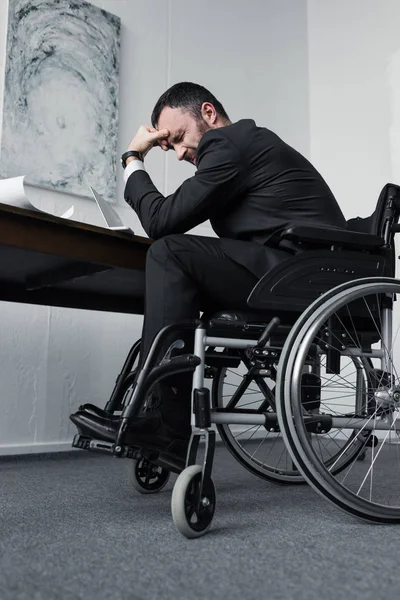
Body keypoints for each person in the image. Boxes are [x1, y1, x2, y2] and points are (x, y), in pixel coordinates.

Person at [70, 82, 346, 463]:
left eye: (180, 137)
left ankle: (168, 425)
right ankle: (155, 413)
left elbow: (161, 220)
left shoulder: (230, 144)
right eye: (171, 147)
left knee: (170, 252)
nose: (180, 153)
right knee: (178, 268)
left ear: (209, 114)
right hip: (290, 270)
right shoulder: (243, 146)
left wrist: (133, 157)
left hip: (301, 276)